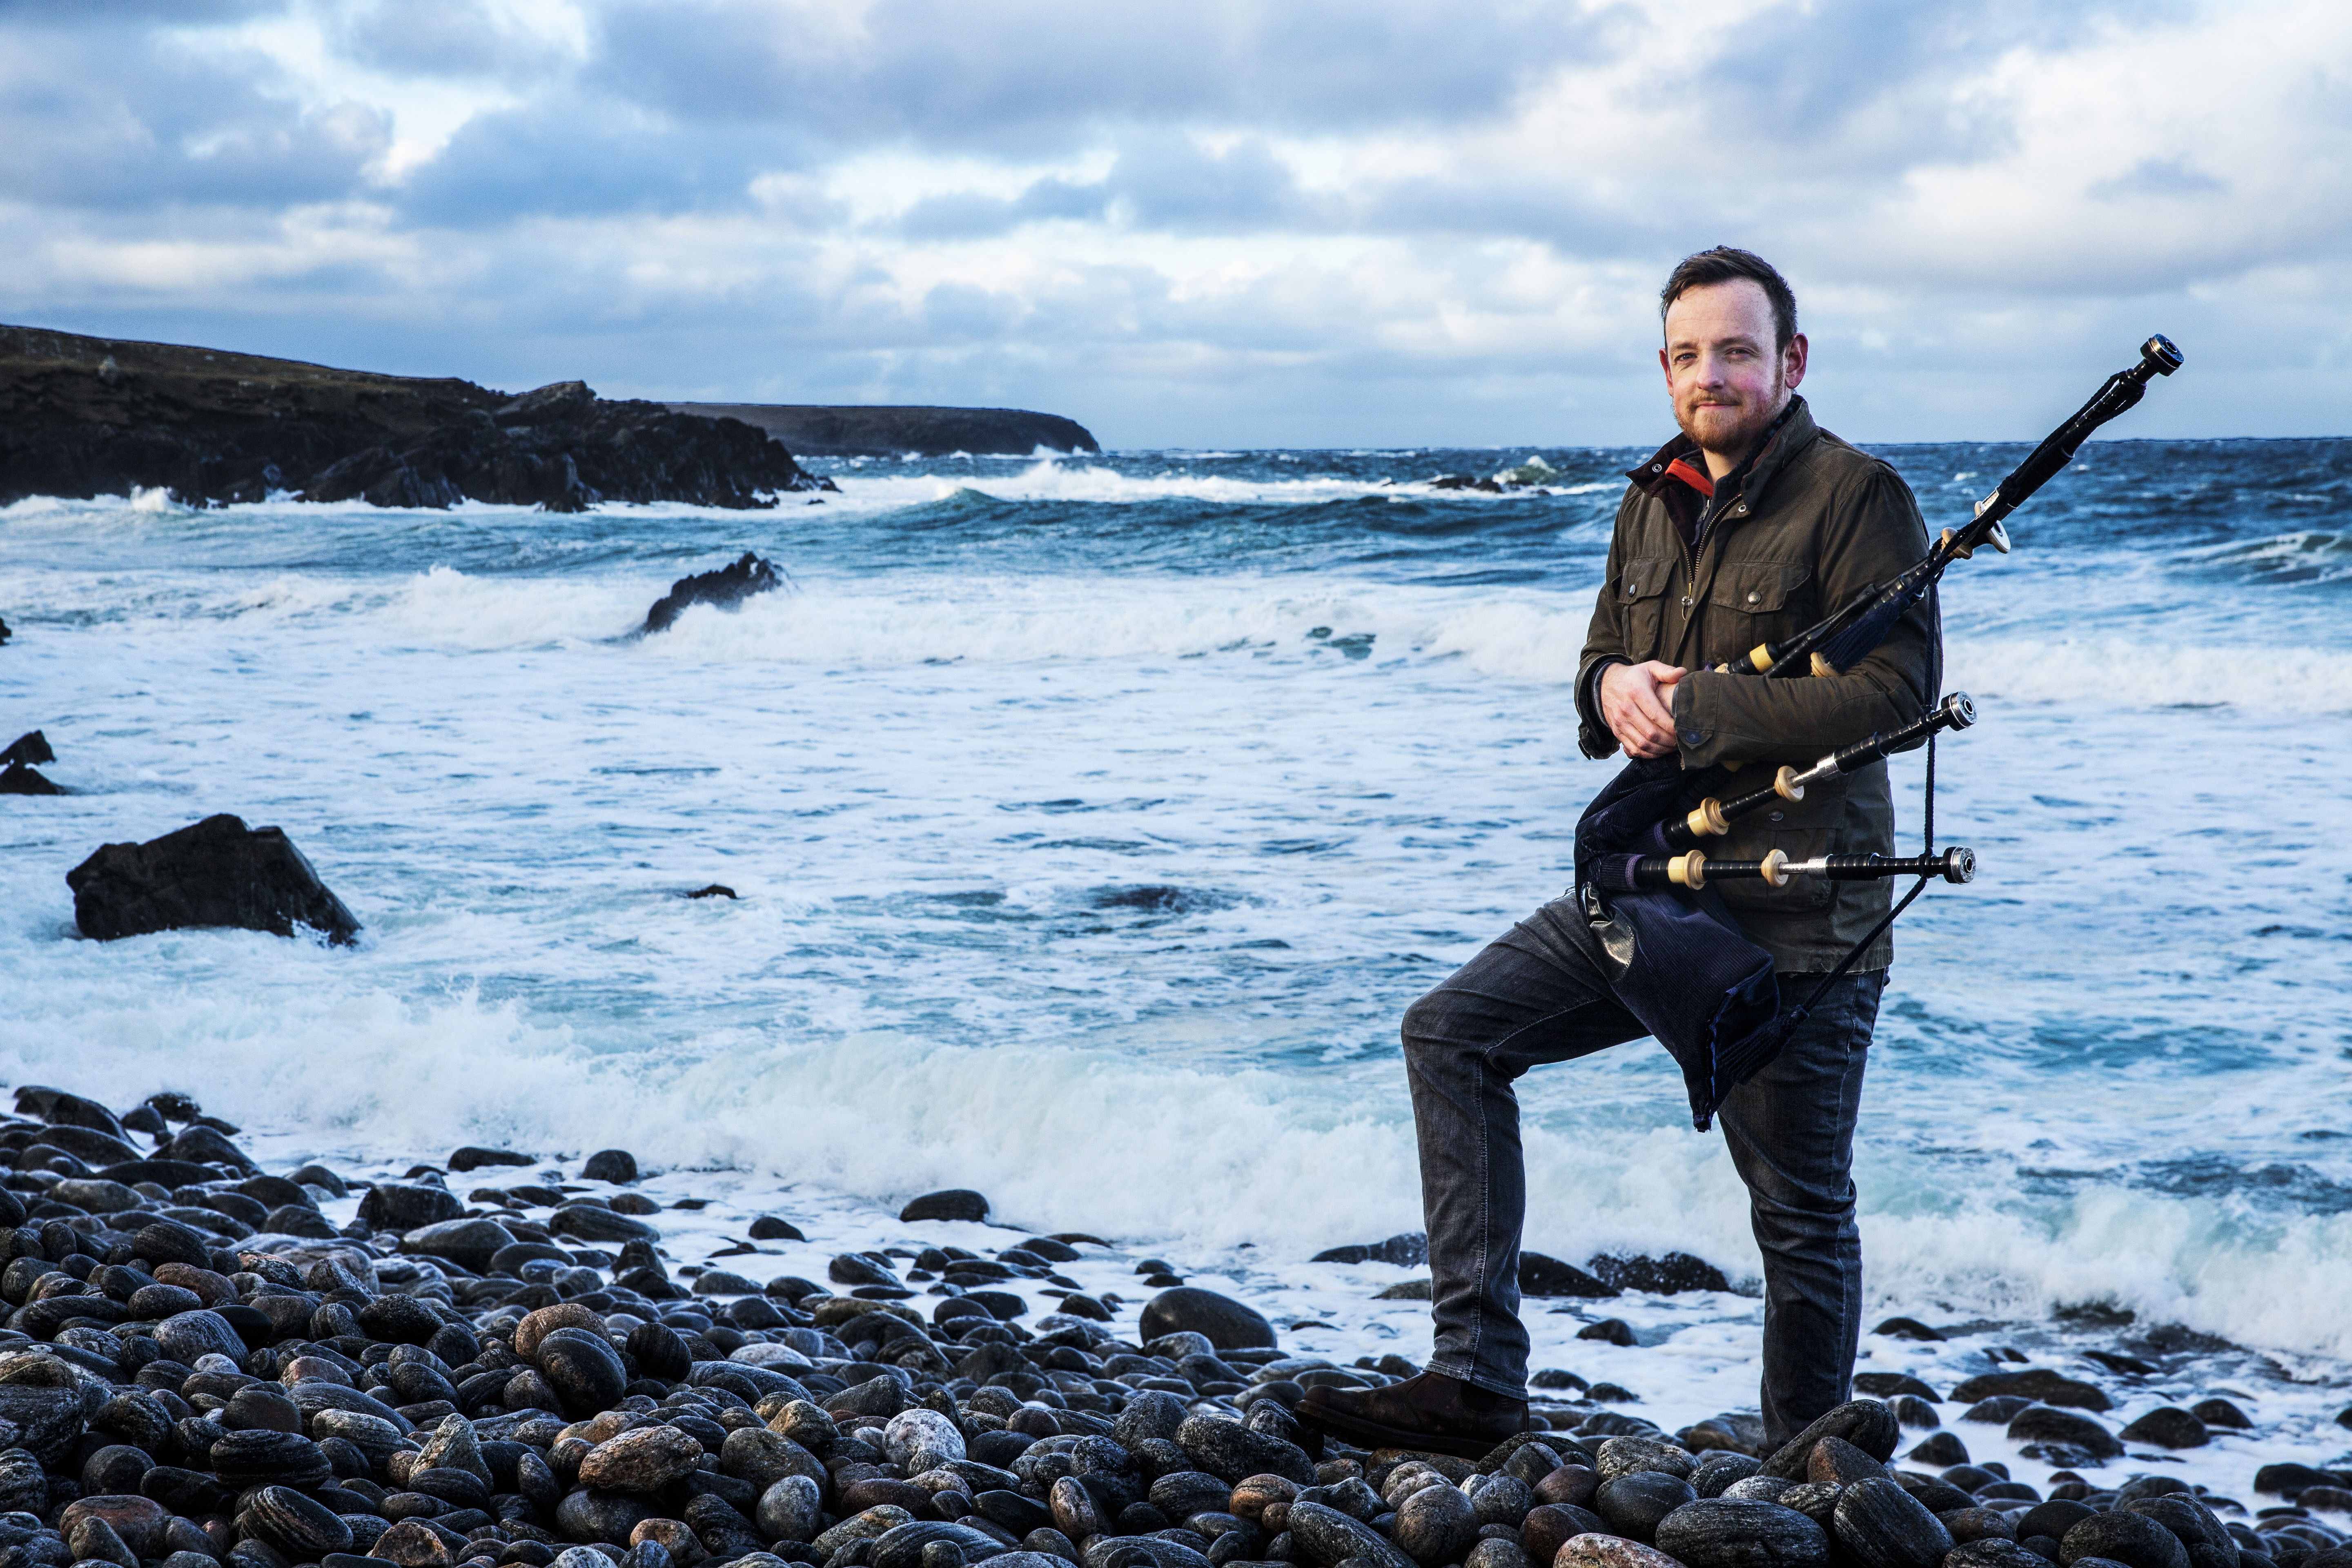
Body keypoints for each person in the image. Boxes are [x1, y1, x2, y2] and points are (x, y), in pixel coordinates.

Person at [1298, 247, 1940, 1459]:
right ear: (1665, 371)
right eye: (1690, 355)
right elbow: (1597, 679)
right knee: (1452, 1034)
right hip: (1646, 892)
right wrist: (1613, 689)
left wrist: (1698, 706)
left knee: (1797, 1210)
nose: (1714, 376)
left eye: (1739, 351)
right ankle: (1476, 1380)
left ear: (1791, 362)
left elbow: (1899, 697)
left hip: (1799, 919)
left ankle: (1811, 1464)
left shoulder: (1860, 498)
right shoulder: (1650, 499)